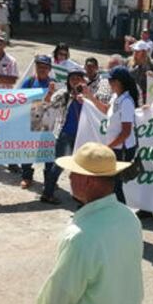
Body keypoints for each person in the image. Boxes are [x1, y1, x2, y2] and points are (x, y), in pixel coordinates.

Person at [36, 142, 143, 304]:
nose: (69, 178)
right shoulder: (129, 218)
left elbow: (57, 300)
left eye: (73, 173)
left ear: (87, 180)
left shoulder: (81, 237)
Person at [82, 66, 138, 205]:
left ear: (118, 82)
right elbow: (106, 109)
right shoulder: (116, 97)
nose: (108, 83)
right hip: (115, 148)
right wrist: (89, 96)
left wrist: (108, 147)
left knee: (115, 185)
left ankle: (121, 213)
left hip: (121, 150)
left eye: (111, 80)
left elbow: (126, 132)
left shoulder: (126, 103)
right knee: (111, 183)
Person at [41, 68, 88, 205]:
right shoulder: (63, 94)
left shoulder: (87, 94)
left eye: (78, 78)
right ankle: (47, 193)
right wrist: (50, 93)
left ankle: (78, 194)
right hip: (65, 134)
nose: (75, 81)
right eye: (72, 78)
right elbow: (48, 104)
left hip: (81, 134)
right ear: (68, 80)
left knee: (78, 166)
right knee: (59, 164)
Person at [19, 55, 53, 188]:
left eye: (45, 67)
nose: (42, 69)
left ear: (49, 69)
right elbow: (20, 98)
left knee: (48, 152)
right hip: (31, 119)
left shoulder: (54, 84)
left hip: (48, 122)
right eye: (39, 66)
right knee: (28, 150)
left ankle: (49, 180)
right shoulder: (30, 81)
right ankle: (27, 176)